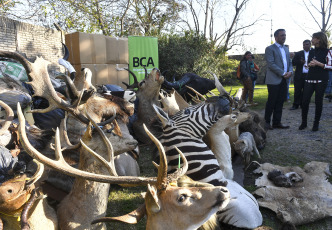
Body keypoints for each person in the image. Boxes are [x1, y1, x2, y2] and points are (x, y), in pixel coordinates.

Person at [299, 32, 332, 131]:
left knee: (318, 101)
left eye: (313, 38)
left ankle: (315, 124)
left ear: (319, 39)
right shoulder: (311, 51)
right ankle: (304, 123)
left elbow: (330, 66)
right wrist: (309, 65)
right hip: (309, 78)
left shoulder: (328, 52)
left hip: (321, 79)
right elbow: (309, 65)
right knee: (304, 101)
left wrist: (318, 64)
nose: (311, 40)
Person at [264, 29, 292, 130]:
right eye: (281, 35)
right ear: (275, 37)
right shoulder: (270, 49)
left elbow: (289, 62)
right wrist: (283, 73)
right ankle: (266, 122)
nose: (284, 37)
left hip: (284, 80)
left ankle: (277, 122)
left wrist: (290, 72)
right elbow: (271, 64)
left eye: (285, 35)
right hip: (273, 80)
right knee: (272, 101)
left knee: (280, 101)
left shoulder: (286, 49)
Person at [290, 40, 312, 110]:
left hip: (309, 75)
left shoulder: (314, 52)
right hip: (299, 75)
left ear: (310, 45)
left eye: (307, 44)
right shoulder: (299, 53)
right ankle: (295, 104)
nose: (305, 46)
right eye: (304, 45)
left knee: (306, 91)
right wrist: (300, 62)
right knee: (297, 90)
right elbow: (293, 63)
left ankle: (303, 104)